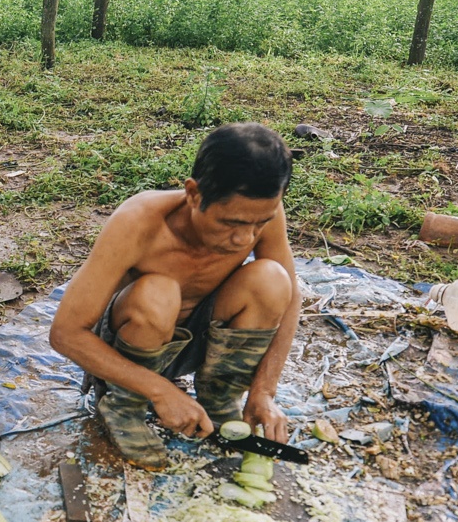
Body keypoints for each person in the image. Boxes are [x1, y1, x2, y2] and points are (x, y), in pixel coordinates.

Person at [48, 123, 298, 470]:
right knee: (160, 292)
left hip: (204, 344)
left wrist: (264, 390)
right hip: (134, 342)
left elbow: (290, 300)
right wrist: (160, 391)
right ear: (194, 194)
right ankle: (124, 407)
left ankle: (219, 399)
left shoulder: (257, 210)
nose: (245, 239)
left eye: (258, 224)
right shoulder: (139, 222)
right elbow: (65, 333)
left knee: (273, 279)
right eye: (231, 223)